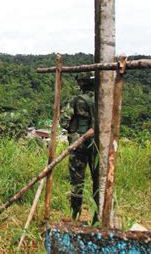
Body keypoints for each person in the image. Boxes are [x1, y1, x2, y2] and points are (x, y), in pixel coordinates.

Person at [60, 73, 99, 222]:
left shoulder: (76, 101)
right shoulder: (103, 100)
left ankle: (75, 216)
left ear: (81, 83)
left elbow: (64, 121)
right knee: (98, 181)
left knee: (77, 182)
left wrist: (75, 128)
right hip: (99, 145)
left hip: (80, 144)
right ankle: (97, 217)